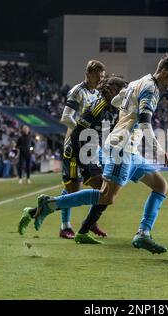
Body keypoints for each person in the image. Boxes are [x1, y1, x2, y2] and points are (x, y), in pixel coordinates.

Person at [29, 55, 168, 254]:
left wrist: (126, 116)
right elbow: (145, 122)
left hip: (128, 148)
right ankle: (50, 204)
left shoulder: (140, 81)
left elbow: (119, 99)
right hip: (122, 149)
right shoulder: (151, 90)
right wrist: (159, 149)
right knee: (106, 197)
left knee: (161, 186)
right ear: (164, 72)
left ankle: (143, 233)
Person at [18, 77, 127, 239]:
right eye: (121, 92)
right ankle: (65, 221)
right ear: (111, 91)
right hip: (79, 152)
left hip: (91, 152)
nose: (124, 96)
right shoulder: (97, 108)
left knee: (102, 193)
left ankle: (84, 221)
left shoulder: (114, 108)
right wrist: (82, 160)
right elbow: (77, 133)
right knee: (97, 192)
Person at [57, 60, 106, 239]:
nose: (100, 80)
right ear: (88, 74)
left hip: (91, 146)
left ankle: (91, 222)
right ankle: (65, 226)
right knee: (72, 188)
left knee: (102, 185)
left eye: (102, 77)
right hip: (74, 145)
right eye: (98, 77)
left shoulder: (98, 93)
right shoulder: (78, 91)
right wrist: (82, 130)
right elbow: (66, 117)